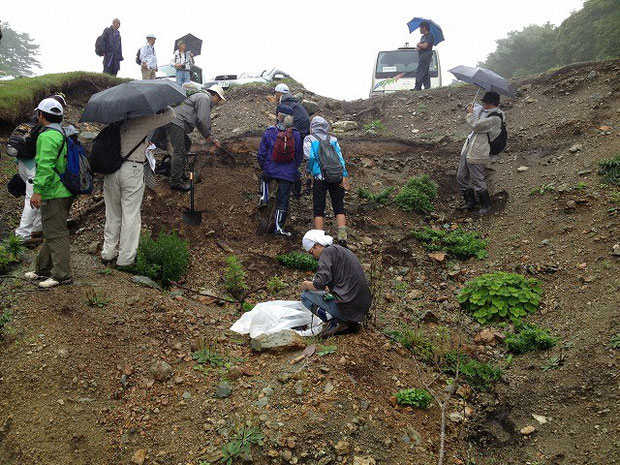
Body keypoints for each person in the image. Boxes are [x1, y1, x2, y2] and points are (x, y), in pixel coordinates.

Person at [101, 107, 175, 268]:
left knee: (113, 213)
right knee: (130, 214)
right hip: (132, 170)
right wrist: (163, 104)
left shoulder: (115, 121)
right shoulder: (143, 120)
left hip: (111, 171)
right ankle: (125, 259)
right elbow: (170, 116)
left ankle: (108, 253)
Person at [23, 98, 74, 289]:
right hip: (65, 189)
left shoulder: (47, 136)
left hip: (55, 192)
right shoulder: (63, 132)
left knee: (57, 233)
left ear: (41, 115)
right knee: (51, 231)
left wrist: (37, 191)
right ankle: (42, 269)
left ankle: (62, 275)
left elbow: (45, 166)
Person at [12, 94, 68, 244]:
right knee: (32, 200)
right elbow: (45, 164)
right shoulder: (49, 132)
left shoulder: (32, 125)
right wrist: (38, 190)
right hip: (34, 169)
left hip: (24, 165)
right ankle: (22, 235)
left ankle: (36, 229)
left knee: (35, 199)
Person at [300, 229, 372, 338]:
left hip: (348, 308)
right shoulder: (340, 250)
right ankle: (348, 322)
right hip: (361, 308)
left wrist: (306, 284)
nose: (313, 256)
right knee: (325, 295)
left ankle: (336, 322)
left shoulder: (326, 253)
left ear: (317, 245)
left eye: (311, 252)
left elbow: (319, 284)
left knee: (305, 296)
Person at [167, 84, 225, 191]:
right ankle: (176, 182)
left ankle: (181, 174)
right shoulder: (205, 98)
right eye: (219, 99)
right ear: (215, 95)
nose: (217, 103)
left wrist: (208, 137)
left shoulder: (201, 96)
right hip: (176, 121)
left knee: (187, 144)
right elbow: (202, 119)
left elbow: (199, 121)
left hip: (176, 120)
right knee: (179, 151)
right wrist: (209, 136)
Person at [257, 104, 303, 236]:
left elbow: (261, 154)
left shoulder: (270, 131)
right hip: (288, 173)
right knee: (283, 200)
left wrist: (264, 167)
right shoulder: (296, 135)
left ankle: (264, 197)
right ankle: (278, 228)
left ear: (278, 116)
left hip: (271, 169)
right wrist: (293, 168)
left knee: (264, 178)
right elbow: (298, 156)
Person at [304, 116, 350, 245]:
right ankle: (342, 237)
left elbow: (310, 157)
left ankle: (319, 239)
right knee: (339, 206)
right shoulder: (333, 139)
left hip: (320, 177)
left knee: (319, 208)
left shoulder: (310, 139)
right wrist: (344, 175)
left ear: (313, 126)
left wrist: (308, 172)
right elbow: (340, 158)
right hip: (337, 175)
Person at [456, 91, 504, 214]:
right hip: (469, 146)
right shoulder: (485, 111)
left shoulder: (496, 118)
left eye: (486, 103)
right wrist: (471, 108)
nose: (483, 105)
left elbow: (476, 125)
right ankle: (470, 202)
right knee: (461, 176)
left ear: (493, 103)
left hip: (479, 151)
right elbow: (476, 109)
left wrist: (470, 114)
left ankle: (485, 204)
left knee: (477, 179)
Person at [414, 22, 435, 91]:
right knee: (425, 71)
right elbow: (422, 47)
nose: (419, 30)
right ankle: (427, 87)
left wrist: (419, 44)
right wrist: (418, 48)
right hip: (422, 55)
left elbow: (425, 45)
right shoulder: (422, 37)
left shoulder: (430, 35)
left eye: (420, 28)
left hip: (426, 55)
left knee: (420, 70)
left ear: (424, 28)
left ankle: (417, 87)